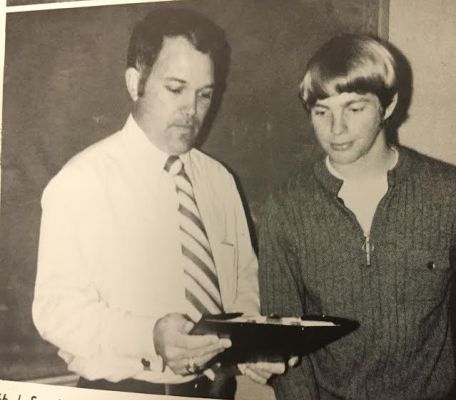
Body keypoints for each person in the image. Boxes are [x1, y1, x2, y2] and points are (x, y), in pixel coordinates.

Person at [258, 34, 456, 400]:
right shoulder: (285, 206)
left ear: (388, 106)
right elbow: (284, 342)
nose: (335, 129)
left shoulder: (453, 194)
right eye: (322, 111)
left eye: (354, 109)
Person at [32, 8, 283, 398]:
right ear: (136, 83)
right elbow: (56, 313)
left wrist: (251, 344)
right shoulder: (82, 182)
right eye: (176, 88)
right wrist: (150, 336)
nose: (192, 110)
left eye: (204, 94)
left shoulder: (219, 181)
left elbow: (244, 285)